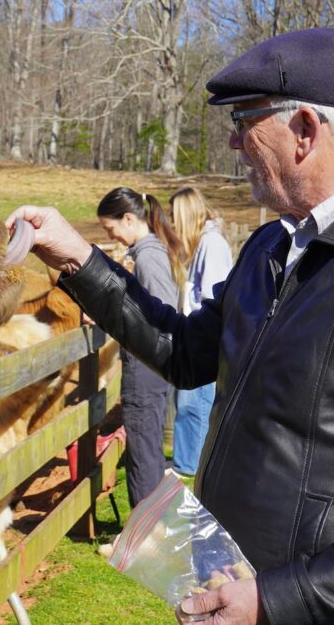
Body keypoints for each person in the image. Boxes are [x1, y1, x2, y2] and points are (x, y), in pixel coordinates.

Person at [7, 27, 334, 624]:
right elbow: (183, 350)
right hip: (231, 590)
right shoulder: (272, 244)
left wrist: (280, 600)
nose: (235, 144)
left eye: (244, 123)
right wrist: (79, 262)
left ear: (305, 130)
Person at [96, 187, 185, 507]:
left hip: (146, 366)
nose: (113, 235)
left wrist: (116, 315)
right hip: (152, 366)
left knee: (143, 451)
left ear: (129, 218)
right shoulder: (150, 253)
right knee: (146, 446)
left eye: (112, 228)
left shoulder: (148, 256)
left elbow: (159, 313)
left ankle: (144, 536)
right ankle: (150, 529)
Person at [167, 187, 233, 476]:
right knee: (187, 403)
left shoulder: (212, 244)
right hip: (195, 334)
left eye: (173, 216)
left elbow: (213, 295)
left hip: (204, 338)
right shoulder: (202, 244)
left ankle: (189, 467)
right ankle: (187, 462)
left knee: (196, 404)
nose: (170, 222)